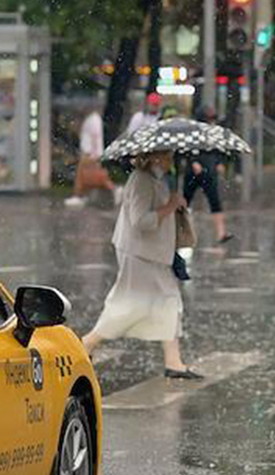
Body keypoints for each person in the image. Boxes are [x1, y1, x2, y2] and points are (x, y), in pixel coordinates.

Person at [81, 150, 201, 380]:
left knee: (168, 301)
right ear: (155, 157)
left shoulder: (154, 179)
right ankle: (88, 342)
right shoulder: (141, 180)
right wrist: (170, 206)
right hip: (139, 254)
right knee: (131, 304)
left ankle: (173, 361)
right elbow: (141, 221)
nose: (171, 159)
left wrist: (174, 204)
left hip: (152, 254)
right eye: (167, 155)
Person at [183, 107, 231, 244]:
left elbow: (220, 150)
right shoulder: (192, 132)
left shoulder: (215, 133)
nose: (211, 122)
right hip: (193, 173)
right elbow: (186, 149)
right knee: (186, 201)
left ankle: (221, 233)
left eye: (212, 119)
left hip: (209, 171)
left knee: (215, 201)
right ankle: (182, 231)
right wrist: (193, 162)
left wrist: (220, 163)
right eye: (208, 119)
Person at [65, 109, 120, 208]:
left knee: (85, 175)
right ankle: (114, 190)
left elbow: (95, 137)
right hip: (90, 153)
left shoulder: (93, 119)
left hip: (90, 153)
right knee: (94, 176)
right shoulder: (92, 119)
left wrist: (93, 154)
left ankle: (78, 195)